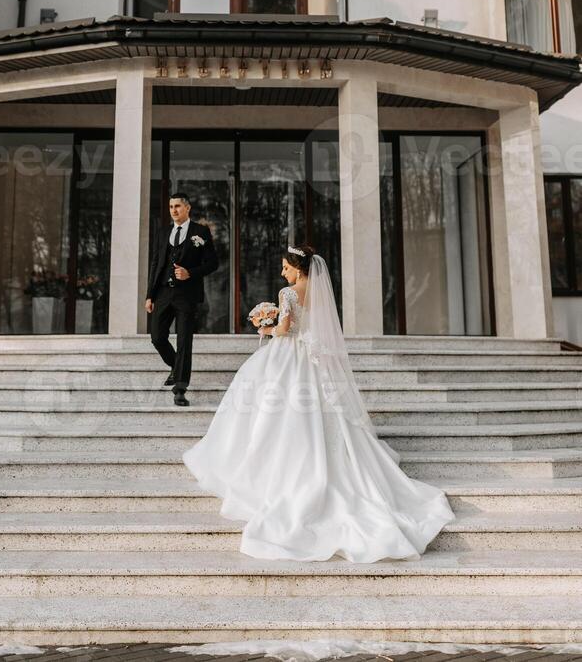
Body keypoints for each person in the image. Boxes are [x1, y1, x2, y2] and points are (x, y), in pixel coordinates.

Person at [183, 242, 456, 561]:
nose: (282, 272)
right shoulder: (318, 291)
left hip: (289, 358)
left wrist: (264, 326)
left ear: (297, 268)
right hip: (314, 362)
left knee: (268, 409)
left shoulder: (288, 294)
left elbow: (285, 330)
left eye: (285, 267)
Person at [145, 193, 218, 407]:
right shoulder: (163, 232)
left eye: (177, 206)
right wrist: (150, 295)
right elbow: (155, 264)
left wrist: (190, 273)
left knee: (184, 340)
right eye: (170, 207)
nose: (173, 210)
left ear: (187, 208)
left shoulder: (200, 232)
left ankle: (180, 388)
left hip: (187, 295)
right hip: (163, 293)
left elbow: (213, 263)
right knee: (157, 337)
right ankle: (176, 367)